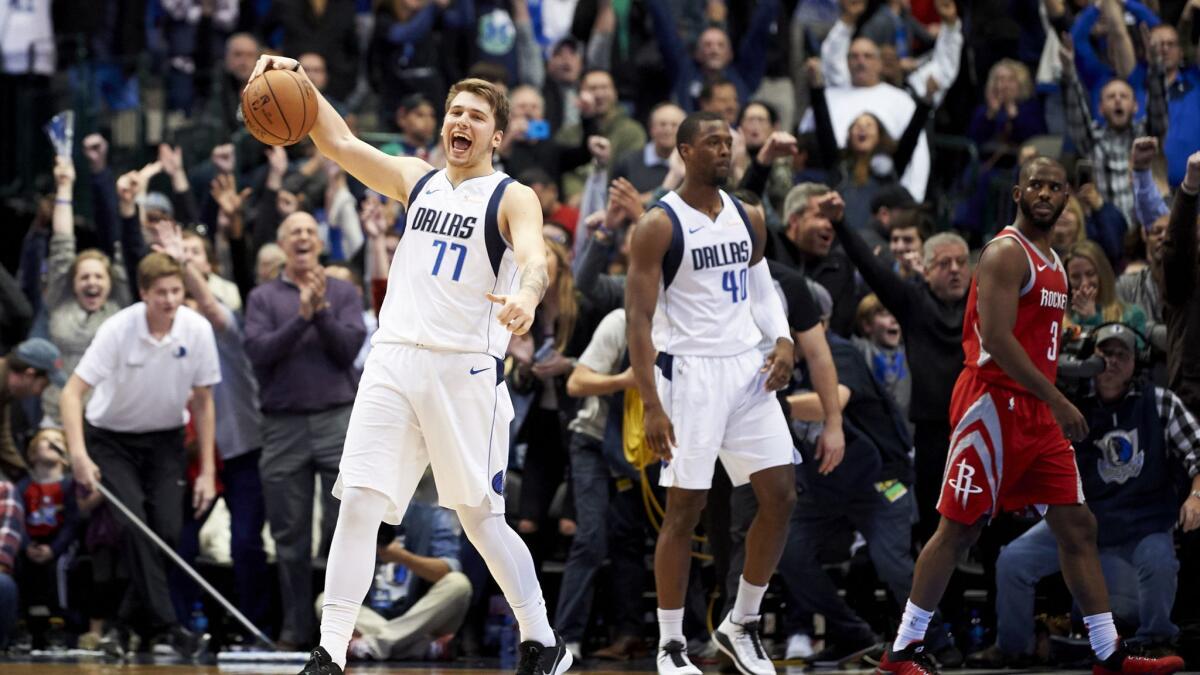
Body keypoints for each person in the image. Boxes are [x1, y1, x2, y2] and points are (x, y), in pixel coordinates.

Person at [245, 54, 569, 675]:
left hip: (464, 368)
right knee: (360, 502)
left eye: (476, 116)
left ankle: (542, 639)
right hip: (393, 360)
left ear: (496, 136)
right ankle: (330, 652)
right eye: (454, 112)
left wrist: (526, 296)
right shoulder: (416, 179)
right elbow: (336, 140)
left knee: (480, 521)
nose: (461, 122)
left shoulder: (511, 195)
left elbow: (534, 257)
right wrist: (297, 79)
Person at [874, 157, 1185, 675]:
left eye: (1055, 186)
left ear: (1067, 198)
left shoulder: (1055, 262)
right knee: (958, 530)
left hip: (1034, 412)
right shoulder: (1003, 252)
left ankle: (1109, 653)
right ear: (1018, 191)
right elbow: (995, 341)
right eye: (1036, 184)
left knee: (1078, 525)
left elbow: (1032, 336)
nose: (1045, 192)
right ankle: (902, 649)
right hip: (991, 405)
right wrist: (1060, 397)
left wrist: (1068, 338)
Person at [626, 111, 825, 675]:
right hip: (689, 374)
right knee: (684, 510)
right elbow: (638, 321)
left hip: (748, 371)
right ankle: (670, 643)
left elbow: (762, 287)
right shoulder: (658, 225)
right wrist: (652, 404)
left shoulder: (750, 216)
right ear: (685, 151)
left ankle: (740, 622)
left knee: (781, 495)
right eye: (712, 142)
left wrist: (783, 338)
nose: (724, 151)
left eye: (728, 143)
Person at [971, 323, 1200, 667]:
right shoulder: (1070, 405)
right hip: (1084, 521)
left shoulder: (1160, 402)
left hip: (1145, 520)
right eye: (1104, 354)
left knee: (1159, 563)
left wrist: (1196, 495)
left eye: (1121, 355)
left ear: (1136, 363)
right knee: (1012, 561)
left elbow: (1198, 451)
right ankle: (1014, 645)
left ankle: (1156, 642)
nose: (1112, 362)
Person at [61, 252, 220, 658]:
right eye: (161, 293)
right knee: (135, 526)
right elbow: (71, 392)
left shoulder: (197, 330)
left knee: (167, 533)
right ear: (143, 293)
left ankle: (121, 626)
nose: (169, 300)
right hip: (112, 439)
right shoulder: (119, 329)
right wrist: (78, 453)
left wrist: (205, 470)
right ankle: (170, 627)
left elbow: (203, 401)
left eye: (176, 291)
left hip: (166, 439)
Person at [1, 339, 66, 481]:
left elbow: (2, 439)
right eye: (43, 386)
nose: (39, 393)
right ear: (29, 374)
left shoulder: (5, 389)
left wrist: (25, 476)